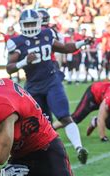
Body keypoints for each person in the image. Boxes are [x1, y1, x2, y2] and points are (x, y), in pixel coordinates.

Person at [6, 9, 89, 164]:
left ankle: (79, 148)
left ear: (39, 23)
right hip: (33, 85)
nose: (30, 26)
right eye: (27, 24)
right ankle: (46, 154)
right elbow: (9, 67)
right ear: (22, 25)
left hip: (51, 81)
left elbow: (65, 48)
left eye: (33, 23)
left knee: (64, 116)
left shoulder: (47, 34)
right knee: (40, 124)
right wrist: (24, 62)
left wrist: (82, 43)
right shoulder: (17, 42)